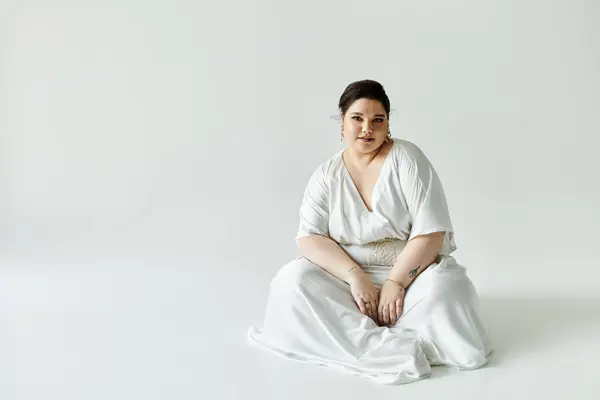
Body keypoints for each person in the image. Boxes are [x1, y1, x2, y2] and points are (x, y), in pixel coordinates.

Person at [247, 79, 493, 385]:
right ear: (342, 121)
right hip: (347, 281)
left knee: (446, 292)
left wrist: (396, 283)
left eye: (378, 120)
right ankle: (388, 344)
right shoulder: (327, 174)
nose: (367, 129)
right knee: (290, 283)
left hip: (409, 274)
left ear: (388, 123)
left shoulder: (407, 158)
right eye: (358, 119)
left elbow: (431, 233)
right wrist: (355, 276)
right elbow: (310, 237)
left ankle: (360, 331)